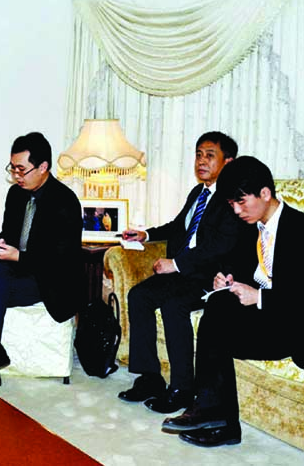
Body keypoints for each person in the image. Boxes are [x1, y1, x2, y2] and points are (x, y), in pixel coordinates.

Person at [162, 156, 303, 447]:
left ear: (265, 193)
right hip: (264, 317)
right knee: (218, 307)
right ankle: (214, 414)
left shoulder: (299, 230)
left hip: (292, 325)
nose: (237, 211)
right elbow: (239, 266)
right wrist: (225, 278)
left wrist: (259, 296)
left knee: (217, 330)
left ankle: (216, 415)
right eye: (232, 205)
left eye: (242, 202)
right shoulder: (251, 228)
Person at [117, 132, 245, 414]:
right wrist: (145, 234)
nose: (201, 161)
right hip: (185, 273)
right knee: (140, 295)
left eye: (210, 155)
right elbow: (178, 227)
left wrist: (176, 264)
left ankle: (183, 389)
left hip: (211, 277)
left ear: (228, 162)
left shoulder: (233, 199)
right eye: (198, 154)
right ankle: (149, 377)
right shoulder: (198, 193)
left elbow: (220, 246)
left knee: (174, 306)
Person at [0, 132, 84, 389]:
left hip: (52, 282)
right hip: (21, 272)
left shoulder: (65, 202)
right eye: (13, 168)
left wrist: (17, 255)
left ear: (43, 167)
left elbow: (60, 260)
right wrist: (1, 245)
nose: (16, 175)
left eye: (21, 169)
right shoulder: (15, 195)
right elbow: (11, 234)